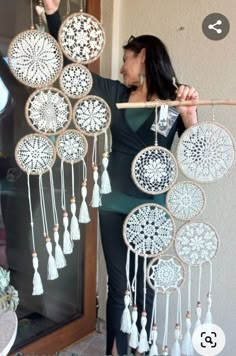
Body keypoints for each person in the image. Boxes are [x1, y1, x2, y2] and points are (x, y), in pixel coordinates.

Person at [43, 1, 199, 355]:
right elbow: (73, 71)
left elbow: (194, 154)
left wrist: (188, 115)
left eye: (126, 58)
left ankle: (140, 348)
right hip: (113, 205)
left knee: (143, 286)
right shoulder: (116, 94)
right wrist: (54, 13)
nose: (121, 66)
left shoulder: (173, 101)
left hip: (150, 208)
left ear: (142, 57)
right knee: (118, 284)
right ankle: (117, 350)